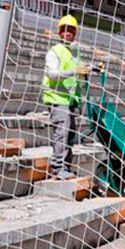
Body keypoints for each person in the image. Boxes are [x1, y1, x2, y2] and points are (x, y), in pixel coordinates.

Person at [43, 14, 87, 179]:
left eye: (71, 30)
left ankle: (66, 167)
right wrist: (74, 71)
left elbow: (77, 72)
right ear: (60, 32)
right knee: (62, 133)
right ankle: (58, 168)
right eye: (65, 30)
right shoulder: (54, 51)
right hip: (57, 99)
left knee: (69, 135)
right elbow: (53, 74)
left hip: (70, 100)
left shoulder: (74, 52)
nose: (68, 33)